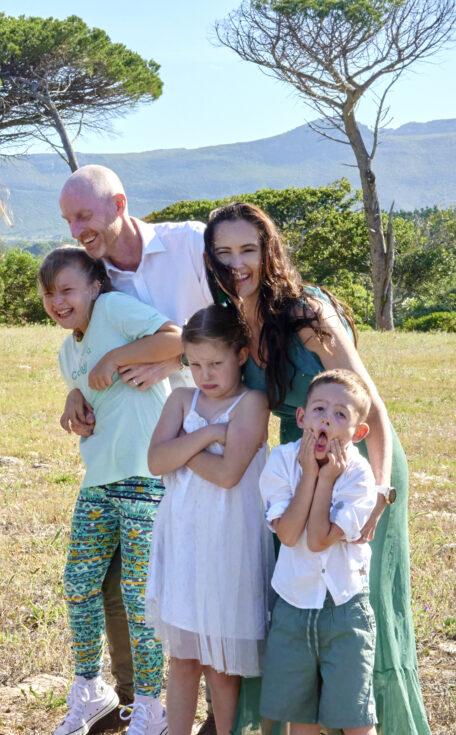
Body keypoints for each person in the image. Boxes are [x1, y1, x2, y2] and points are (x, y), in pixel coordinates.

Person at [205, 201, 429, 734]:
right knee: (303, 594)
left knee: (356, 601)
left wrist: (379, 491)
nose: (237, 263)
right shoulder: (233, 321)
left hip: (359, 458)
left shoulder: (305, 311)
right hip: (300, 462)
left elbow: (371, 405)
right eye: (224, 252)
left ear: (269, 252)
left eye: (248, 250)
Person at [58, 164, 218, 731]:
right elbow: (88, 357)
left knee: (202, 575)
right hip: (137, 453)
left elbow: (229, 322)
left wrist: (166, 360)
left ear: (119, 204)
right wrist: (76, 394)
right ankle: (132, 701)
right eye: (68, 220)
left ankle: (215, 709)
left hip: (210, 429)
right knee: (114, 584)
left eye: (84, 215)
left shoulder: (190, 244)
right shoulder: (93, 280)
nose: (77, 229)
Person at [38, 247, 183, 735]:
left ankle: (150, 707)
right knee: (78, 584)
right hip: (98, 481)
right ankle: (90, 690)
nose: (57, 301)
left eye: (67, 290)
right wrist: (73, 403)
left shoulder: (115, 310)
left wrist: (117, 356)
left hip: (145, 476)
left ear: (96, 287)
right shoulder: (66, 351)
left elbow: (177, 338)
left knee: (139, 598)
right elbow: (86, 392)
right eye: (49, 294)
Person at [145, 304, 273, 735]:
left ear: (240, 355)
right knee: (183, 659)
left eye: (216, 363)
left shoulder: (252, 403)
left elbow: (227, 474)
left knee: (221, 665)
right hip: (184, 540)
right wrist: (207, 434)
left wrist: (183, 447)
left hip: (228, 544)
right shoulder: (182, 399)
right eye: (195, 364)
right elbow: (155, 461)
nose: (205, 374)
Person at [258, 369, 379, 734]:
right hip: (293, 606)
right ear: (301, 417)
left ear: (358, 432)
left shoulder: (359, 475)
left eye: (341, 414)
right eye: (319, 409)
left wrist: (324, 479)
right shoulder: (282, 461)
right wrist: (308, 474)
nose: (327, 419)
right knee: (301, 718)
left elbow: (317, 539)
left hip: (345, 609)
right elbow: (289, 535)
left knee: (355, 717)